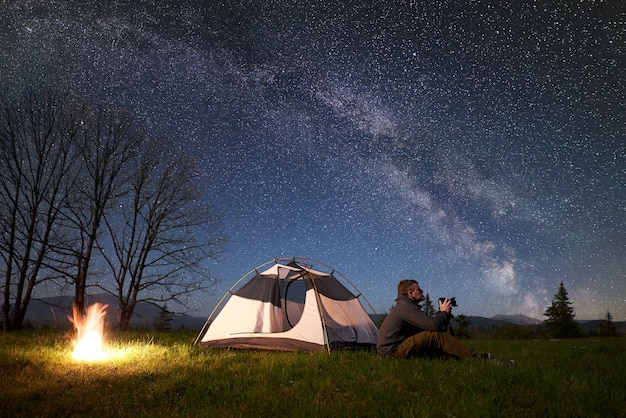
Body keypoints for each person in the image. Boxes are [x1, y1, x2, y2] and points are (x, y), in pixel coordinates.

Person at [377, 279, 511, 364]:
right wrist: (442, 312)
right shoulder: (405, 308)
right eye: (419, 289)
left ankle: (454, 358)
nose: (422, 291)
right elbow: (433, 326)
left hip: (393, 349)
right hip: (392, 353)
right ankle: (481, 360)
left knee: (431, 334)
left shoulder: (406, 307)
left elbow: (429, 325)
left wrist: (444, 315)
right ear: (410, 293)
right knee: (433, 335)